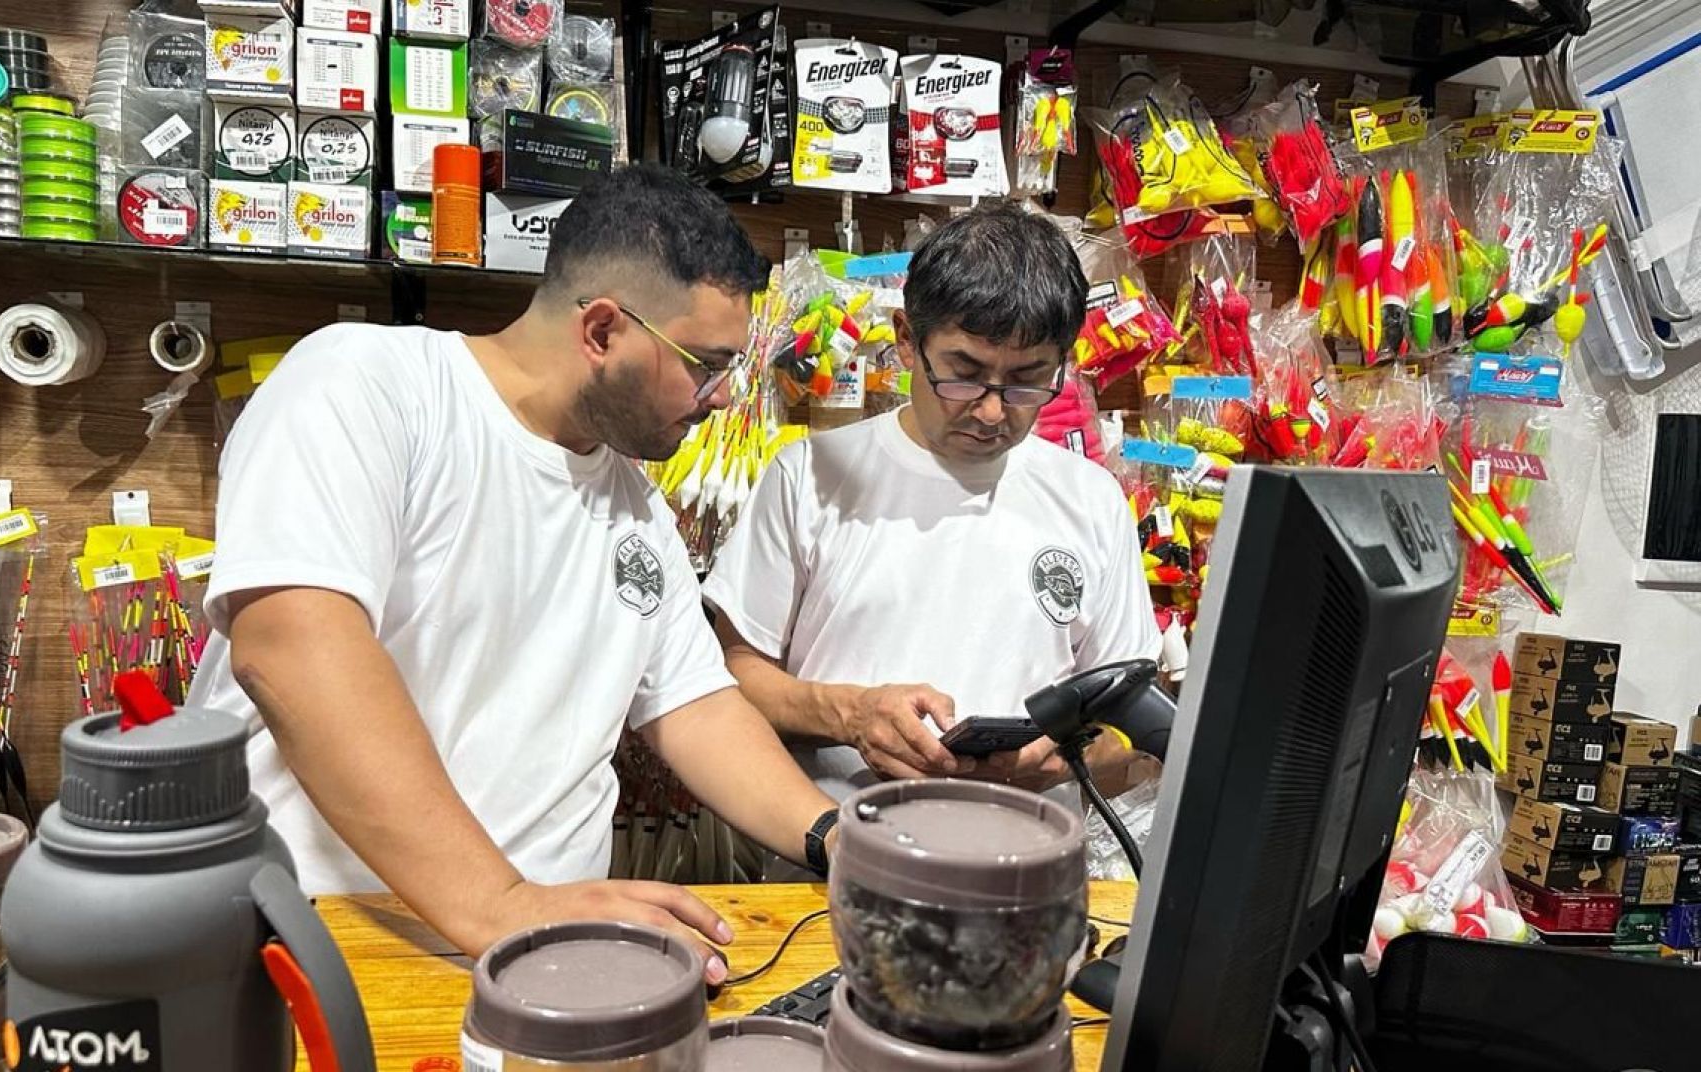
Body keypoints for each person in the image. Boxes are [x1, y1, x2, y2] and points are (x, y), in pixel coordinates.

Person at [186, 164, 841, 984]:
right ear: (602, 330)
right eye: (704, 365)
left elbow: (695, 703)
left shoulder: (633, 502)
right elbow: (290, 651)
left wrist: (836, 839)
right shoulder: (369, 384)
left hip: (542, 953)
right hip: (331, 940)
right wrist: (501, 902)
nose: (718, 399)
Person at [703, 202, 1160, 804]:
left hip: (1024, 870)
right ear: (905, 342)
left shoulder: (1093, 499)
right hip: (832, 863)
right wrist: (851, 713)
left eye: (1027, 380)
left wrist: (1066, 753)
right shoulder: (809, 474)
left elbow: (1128, 728)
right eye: (963, 372)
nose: (993, 411)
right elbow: (732, 675)